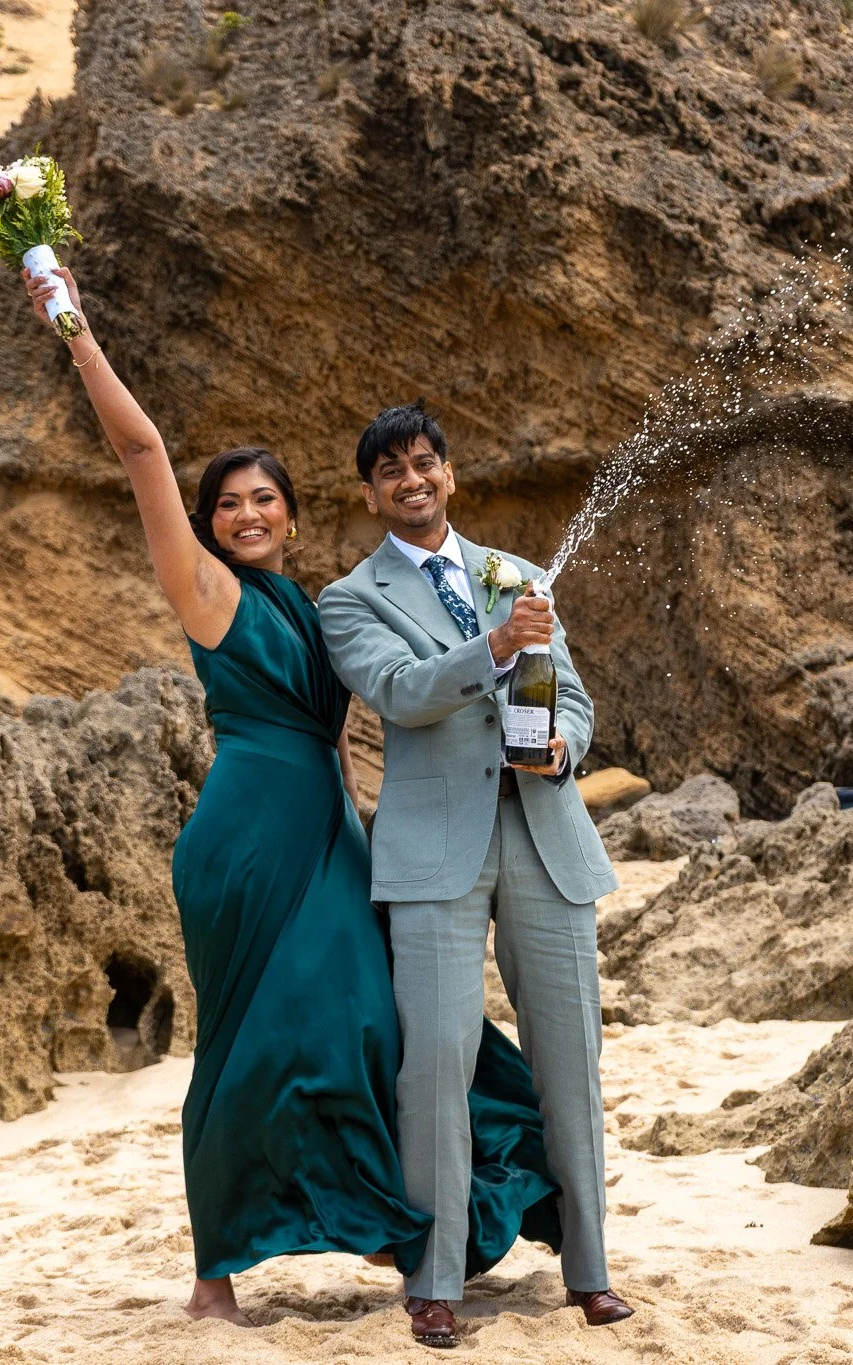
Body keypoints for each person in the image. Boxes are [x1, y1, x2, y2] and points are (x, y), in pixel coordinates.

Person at [22, 272, 559, 1336]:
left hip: (336, 834)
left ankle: (402, 1227)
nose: (245, 513)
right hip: (250, 842)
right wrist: (68, 321)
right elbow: (140, 456)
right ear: (210, 526)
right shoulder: (207, 591)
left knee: (378, 1026)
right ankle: (218, 1270)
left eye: (263, 498)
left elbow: (417, 689)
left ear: (295, 518)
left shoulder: (326, 608)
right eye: (227, 503)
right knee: (248, 1046)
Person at [318, 402, 634, 1347]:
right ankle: (435, 1277)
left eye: (425, 464)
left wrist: (562, 752)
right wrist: (493, 648)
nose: (411, 481)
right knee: (437, 1066)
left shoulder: (521, 575)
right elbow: (401, 695)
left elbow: (572, 698)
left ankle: (591, 1271)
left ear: (449, 475)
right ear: (371, 493)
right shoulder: (351, 597)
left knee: (572, 1060)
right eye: (391, 472)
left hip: (546, 839)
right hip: (431, 855)